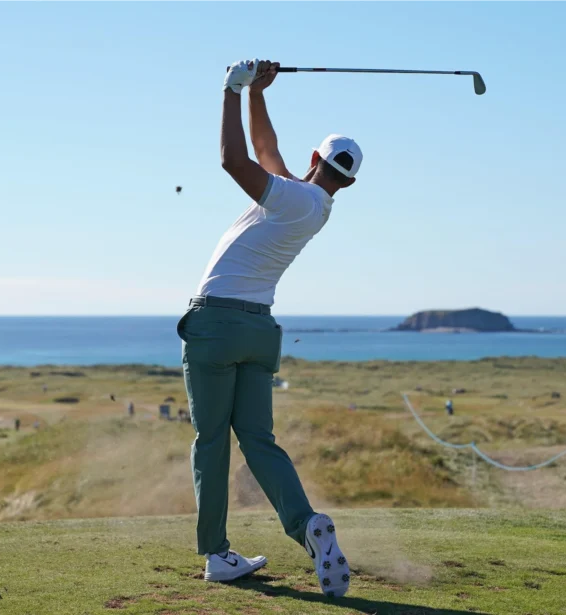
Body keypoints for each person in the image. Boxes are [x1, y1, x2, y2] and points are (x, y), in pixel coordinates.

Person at [175, 58, 360, 597]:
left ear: (315, 158)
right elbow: (264, 151)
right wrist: (258, 92)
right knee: (258, 439)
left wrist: (230, 90)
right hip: (259, 332)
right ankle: (306, 525)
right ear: (348, 181)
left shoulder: (295, 197)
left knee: (211, 440)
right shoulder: (312, 204)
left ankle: (216, 554)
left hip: (217, 324)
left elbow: (235, 160)